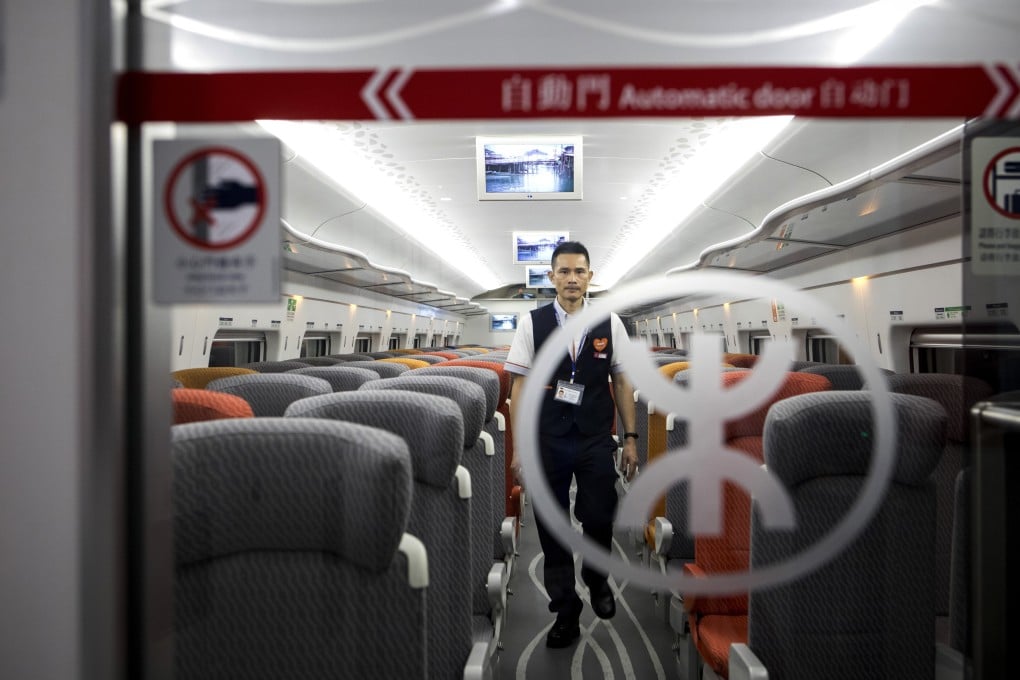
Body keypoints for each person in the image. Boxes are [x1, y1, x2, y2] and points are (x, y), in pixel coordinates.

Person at [504, 240, 638, 648]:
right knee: (553, 528)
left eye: (579, 271)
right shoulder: (532, 322)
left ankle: (597, 578)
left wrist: (630, 438)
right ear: (552, 278)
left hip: (597, 437)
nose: (572, 279)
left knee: (599, 513)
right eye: (564, 272)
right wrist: (519, 447)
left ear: (590, 277)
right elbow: (520, 387)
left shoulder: (610, 323)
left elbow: (623, 381)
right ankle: (565, 611)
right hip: (548, 439)